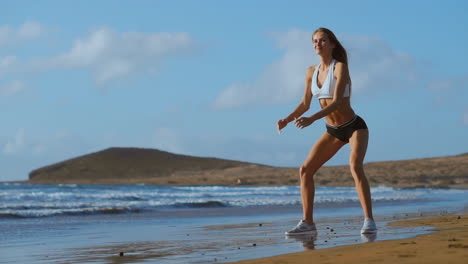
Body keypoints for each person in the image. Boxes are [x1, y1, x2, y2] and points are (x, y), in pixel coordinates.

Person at [277, 28, 377, 235]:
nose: (318, 44)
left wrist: (313, 119)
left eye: (322, 40)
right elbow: (305, 103)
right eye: (315, 41)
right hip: (333, 131)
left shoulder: (340, 68)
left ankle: (369, 220)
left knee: (355, 166)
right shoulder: (310, 72)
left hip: (354, 127)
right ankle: (308, 223)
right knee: (305, 170)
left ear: (332, 44)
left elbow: (338, 101)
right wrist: (287, 119)